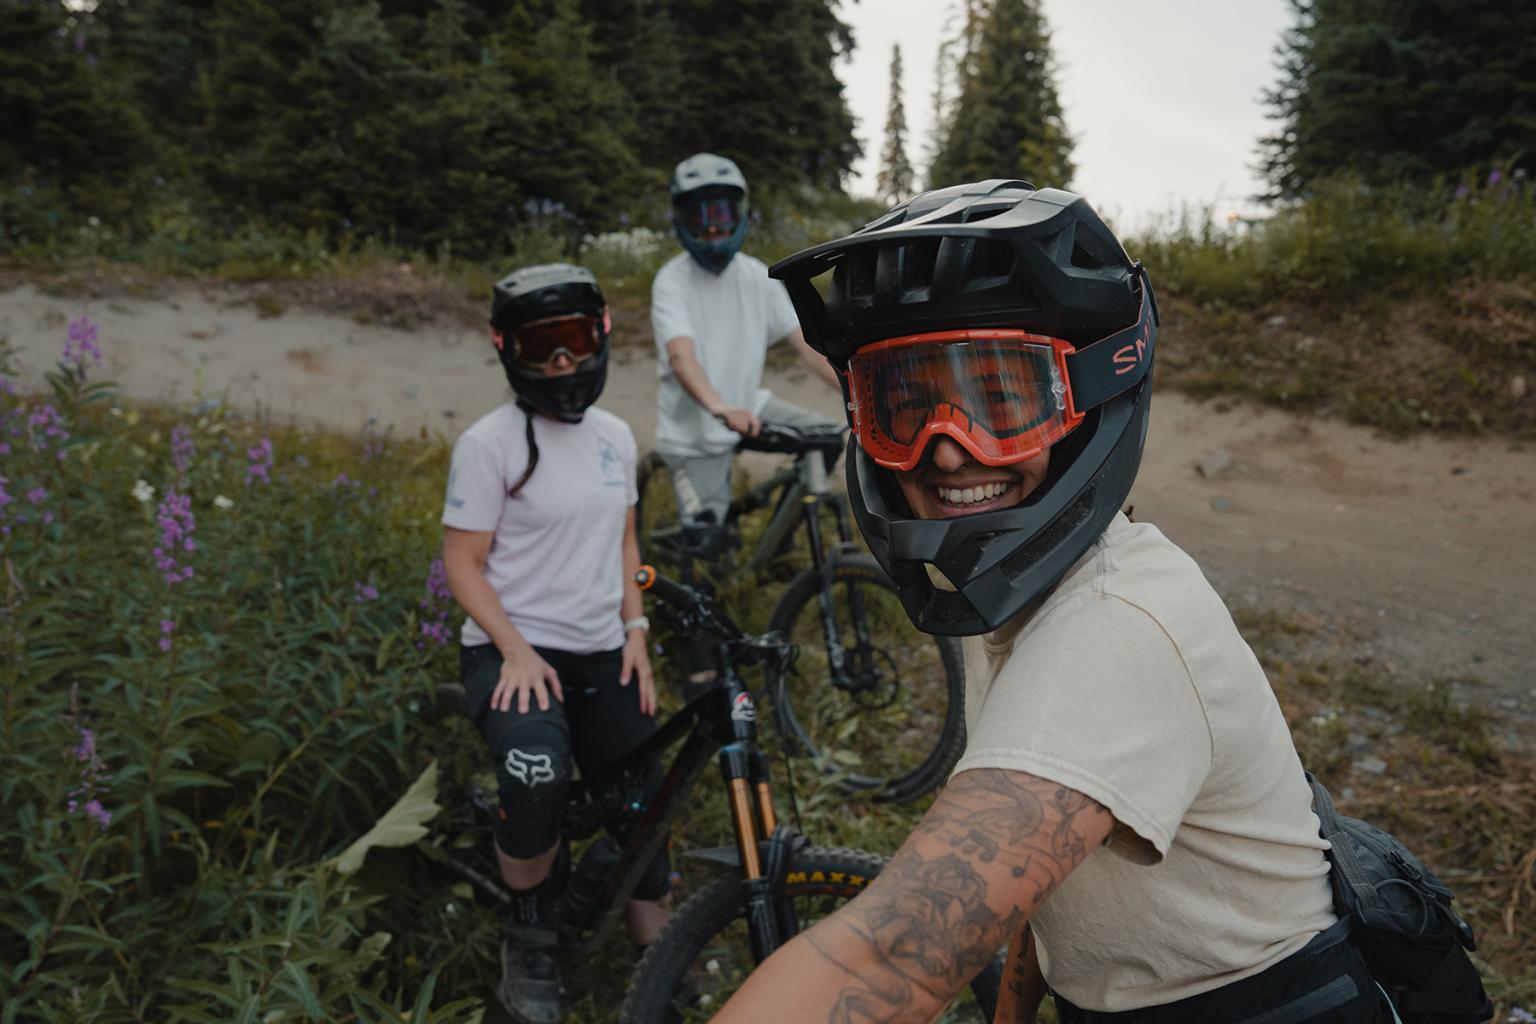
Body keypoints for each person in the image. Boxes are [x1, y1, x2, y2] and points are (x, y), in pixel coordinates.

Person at [706, 181, 1395, 1022]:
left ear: (1093, 394)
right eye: (905, 407)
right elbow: (1044, 886)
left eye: (1003, 401)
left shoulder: (1117, 630)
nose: (950, 451)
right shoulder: (1018, 599)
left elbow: (894, 955)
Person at [440, 263, 669, 1024]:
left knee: (646, 800)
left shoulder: (614, 435)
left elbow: (627, 542)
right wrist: (513, 647)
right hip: (513, 650)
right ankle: (530, 928)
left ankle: (658, 957)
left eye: (573, 342)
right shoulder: (489, 443)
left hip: (605, 646)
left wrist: (635, 629)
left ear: (599, 335)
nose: (563, 363)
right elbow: (462, 564)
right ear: (511, 351)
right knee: (535, 771)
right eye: (544, 348)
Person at [651, 153, 842, 683]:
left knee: (828, 438)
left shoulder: (757, 276)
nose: (712, 227)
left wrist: (857, 386)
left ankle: (775, 541)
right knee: (706, 551)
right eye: (699, 216)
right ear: (681, 220)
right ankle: (700, 663)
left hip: (747, 408)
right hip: (695, 432)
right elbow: (683, 355)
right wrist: (716, 406)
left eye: (721, 213)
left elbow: (806, 345)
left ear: (738, 214)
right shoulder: (671, 282)